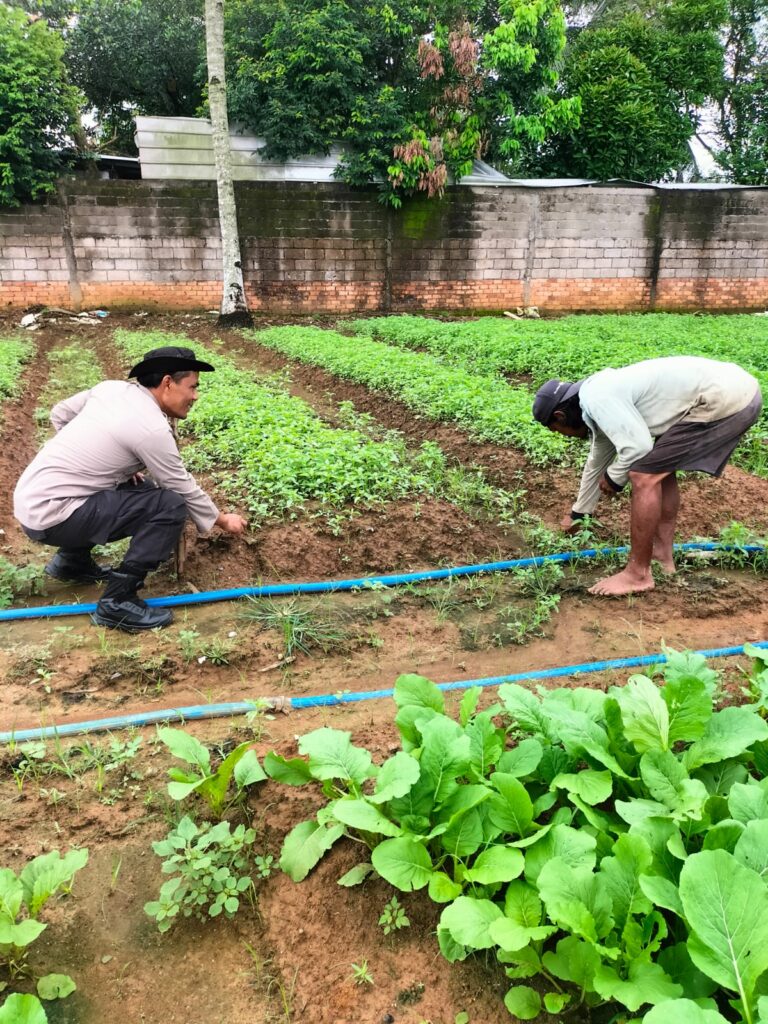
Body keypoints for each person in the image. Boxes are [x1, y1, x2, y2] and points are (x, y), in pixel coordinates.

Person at [13, 345, 247, 631]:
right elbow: (179, 486)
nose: (195, 396)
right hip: (52, 517)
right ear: (167, 383)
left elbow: (60, 413)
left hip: (31, 499)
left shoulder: (111, 389)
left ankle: (71, 562)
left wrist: (91, 459)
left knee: (142, 489)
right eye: (193, 387)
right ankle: (117, 601)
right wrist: (223, 520)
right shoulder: (151, 429)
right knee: (170, 505)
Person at [532, 355, 763, 596]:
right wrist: (579, 513)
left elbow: (638, 448)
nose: (563, 436)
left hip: (725, 397)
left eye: (557, 431)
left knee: (643, 475)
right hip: (734, 389)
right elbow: (597, 460)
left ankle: (637, 575)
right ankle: (662, 556)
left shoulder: (598, 398)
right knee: (660, 469)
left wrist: (614, 479)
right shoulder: (597, 396)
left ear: (560, 416)